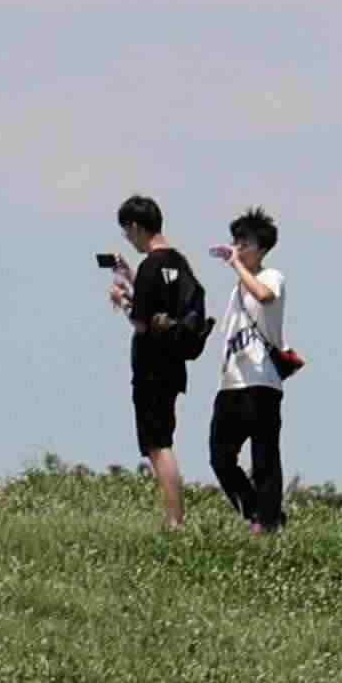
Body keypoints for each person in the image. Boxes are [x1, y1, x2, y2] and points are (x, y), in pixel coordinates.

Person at [108, 195, 198, 532]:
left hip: (150, 366)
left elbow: (141, 321)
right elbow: (163, 301)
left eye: (127, 231)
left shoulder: (150, 266)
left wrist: (122, 300)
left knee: (157, 444)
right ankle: (176, 517)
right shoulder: (178, 262)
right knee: (162, 438)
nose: (128, 239)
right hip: (174, 362)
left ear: (135, 227)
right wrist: (132, 280)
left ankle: (175, 520)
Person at [207, 207, 289, 534]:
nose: (238, 248)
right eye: (236, 242)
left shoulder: (272, 277)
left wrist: (236, 265)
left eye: (245, 244)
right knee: (220, 456)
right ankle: (257, 511)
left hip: (262, 381)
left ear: (262, 249)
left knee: (264, 456)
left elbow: (265, 296)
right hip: (231, 383)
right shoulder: (235, 291)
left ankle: (266, 524)